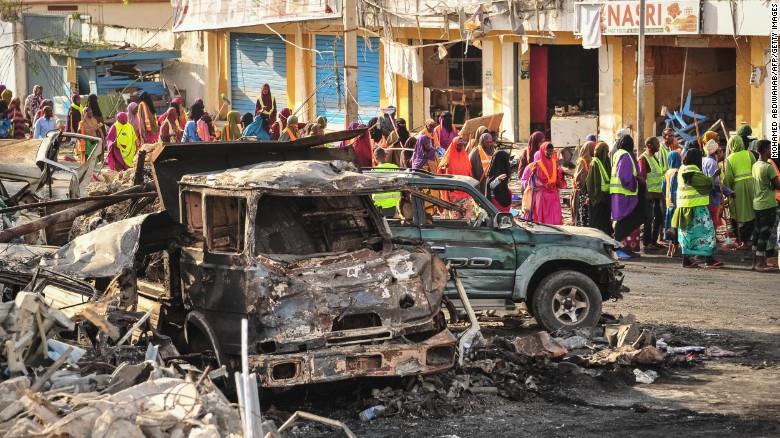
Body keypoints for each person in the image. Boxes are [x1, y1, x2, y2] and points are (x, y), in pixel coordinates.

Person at [672, 149, 722, 268]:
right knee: (707, 233)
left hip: (684, 208)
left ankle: (687, 260)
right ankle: (708, 259)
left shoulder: (682, 169)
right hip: (696, 209)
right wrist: (715, 175)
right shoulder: (691, 172)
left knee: (687, 235)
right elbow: (707, 184)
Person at [610, 134, 644, 260]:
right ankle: (618, 250)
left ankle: (625, 248)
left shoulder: (618, 154)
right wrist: (636, 181)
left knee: (625, 221)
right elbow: (624, 176)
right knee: (623, 222)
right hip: (625, 194)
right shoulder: (625, 155)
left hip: (621, 194)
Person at [750, 140, 780, 272]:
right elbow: (777, 185)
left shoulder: (755, 165)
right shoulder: (768, 167)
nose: (771, 151)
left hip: (757, 203)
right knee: (765, 234)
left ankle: (755, 262)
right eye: (769, 148)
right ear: (764, 150)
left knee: (757, 233)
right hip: (768, 204)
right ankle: (761, 264)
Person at [723, 135, 756, 247]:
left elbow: (728, 177)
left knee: (736, 212)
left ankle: (740, 238)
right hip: (751, 185)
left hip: (738, 187)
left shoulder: (730, 158)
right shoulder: (749, 154)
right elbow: (755, 170)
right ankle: (748, 238)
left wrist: (727, 190)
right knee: (751, 211)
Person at [521, 142, 566, 224]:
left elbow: (558, 181)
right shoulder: (535, 166)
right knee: (542, 220)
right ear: (542, 151)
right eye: (548, 151)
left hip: (553, 197)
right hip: (542, 198)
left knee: (554, 219)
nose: (550, 153)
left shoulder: (554, 163)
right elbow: (529, 182)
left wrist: (561, 174)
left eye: (551, 151)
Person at [638, 136, 666, 251]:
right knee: (649, 218)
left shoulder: (654, 158)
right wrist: (647, 192)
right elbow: (641, 177)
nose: (659, 145)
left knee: (658, 217)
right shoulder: (643, 158)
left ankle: (654, 241)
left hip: (657, 194)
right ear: (649, 145)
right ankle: (647, 243)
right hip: (648, 194)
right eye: (656, 144)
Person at [438, 136, 474, 219]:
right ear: (454, 145)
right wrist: (444, 167)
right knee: (456, 218)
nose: (460, 146)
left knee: (467, 218)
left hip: (465, 192)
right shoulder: (448, 157)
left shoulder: (465, 157)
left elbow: (469, 172)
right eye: (458, 144)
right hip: (454, 194)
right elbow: (440, 170)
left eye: (462, 144)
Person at [701, 139, 731, 235]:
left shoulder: (704, 160)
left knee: (707, 220)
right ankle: (712, 240)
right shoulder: (712, 163)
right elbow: (715, 184)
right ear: (716, 152)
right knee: (713, 220)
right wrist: (729, 192)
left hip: (705, 196)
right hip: (712, 197)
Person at [586, 141, 613, 236]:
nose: (607, 154)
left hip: (606, 199)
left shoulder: (606, 162)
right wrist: (596, 198)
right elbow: (590, 184)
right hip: (598, 200)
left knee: (605, 225)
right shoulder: (595, 163)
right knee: (598, 225)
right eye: (606, 151)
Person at [663, 151, 683, 257]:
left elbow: (663, 188)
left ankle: (669, 250)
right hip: (675, 204)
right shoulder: (677, 172)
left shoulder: (667, 172)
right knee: (675, 227)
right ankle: (674, 250)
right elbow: (675, 189)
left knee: (669, 227)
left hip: (668, 204)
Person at [371, 147, 401, 218]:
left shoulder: (374, 172)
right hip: (395, 206)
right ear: (385, 156)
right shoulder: (395, 168)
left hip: (380, 208)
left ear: (376, 158)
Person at [572, 141, 595, 226]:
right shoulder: (582, 162)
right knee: (582, 216)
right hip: (582, 193)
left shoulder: (591, 161)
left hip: (586, 192)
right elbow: (579, 180)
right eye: (593, 148)